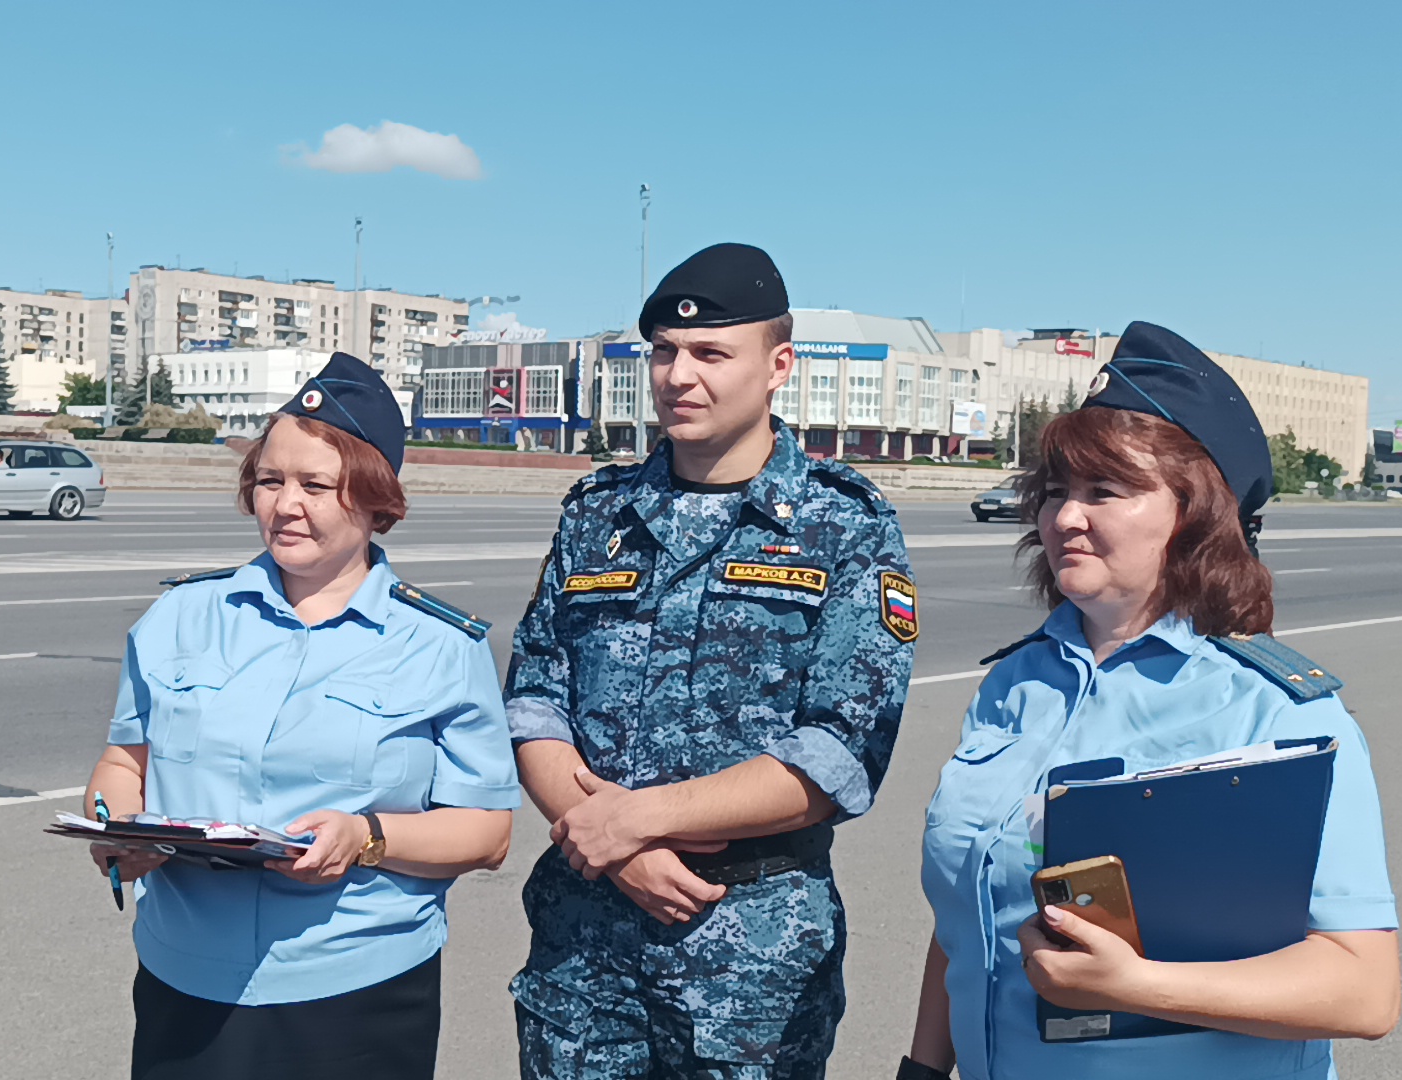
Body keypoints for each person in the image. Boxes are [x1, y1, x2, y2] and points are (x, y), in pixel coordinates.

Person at [902, 322, 1401, 1080]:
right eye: (1057, 492)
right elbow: (967, 917)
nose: (1065, 518)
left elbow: (1364, 989)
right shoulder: (1018, 684)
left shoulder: (1277, 712)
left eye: (1105, 492)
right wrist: (926, 1068)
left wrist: (1137, 987)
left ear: (1195, 516)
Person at [506, 243, 917, 1078]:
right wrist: (617, 849)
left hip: (751, 960)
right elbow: (535, 700)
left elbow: (838, 754)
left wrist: (641, 820)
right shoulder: (598, 514)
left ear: (779, 366)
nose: (678, 375)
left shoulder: (844, 526)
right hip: (585, 944)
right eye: (664, 352)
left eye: (710, 353)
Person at [83, 352, 520, 1080]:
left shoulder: (441, 645)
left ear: (379, 500)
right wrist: (118, 831)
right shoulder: (182, 615)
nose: (287, 505)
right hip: (185, 977)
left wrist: (365, 837)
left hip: (355, 985)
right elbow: (126, 761)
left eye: (317, 485)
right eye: (270, 480)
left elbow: (488, 832)